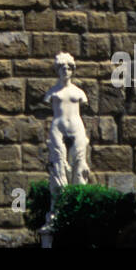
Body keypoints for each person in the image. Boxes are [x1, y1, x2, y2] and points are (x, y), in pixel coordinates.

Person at [44, 53, 91, 199]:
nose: (66, 71)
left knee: (79, 163)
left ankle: (78, 202)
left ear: (72, 70)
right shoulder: (52, 92)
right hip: (58, 128)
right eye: (62, 68)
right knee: (58, 165)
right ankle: (59, 204)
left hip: (77, 128)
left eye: (68, 68)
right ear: (57, 70)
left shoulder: (78, 92)